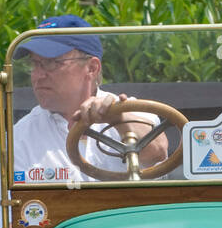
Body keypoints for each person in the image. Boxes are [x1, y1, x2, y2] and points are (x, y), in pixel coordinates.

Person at [12, 14, 168, 184]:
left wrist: (119, 120)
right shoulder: (18, 139)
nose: (37, 75)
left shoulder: (134, 112)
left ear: (92, 68)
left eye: (51, 63)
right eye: (34, 63)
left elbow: (158, 153)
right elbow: (22, 209)